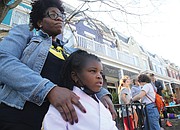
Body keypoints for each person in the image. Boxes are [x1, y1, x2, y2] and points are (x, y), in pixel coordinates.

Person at [0, 0, 116, 129]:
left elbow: (88, 74)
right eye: (53, 15)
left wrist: (102, 94)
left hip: (60, 122)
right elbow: (4, 60)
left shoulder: (71, 52)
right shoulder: (26, 34)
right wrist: (49, 90)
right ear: (39, 22)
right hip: (19, 117)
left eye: (61, 15)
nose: (60, 18)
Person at [43, 50, 118, 130]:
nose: (99, 76)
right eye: (93, 71)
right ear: (75, 76)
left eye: (101, 73)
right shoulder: (64, 105)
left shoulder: (102, 104)